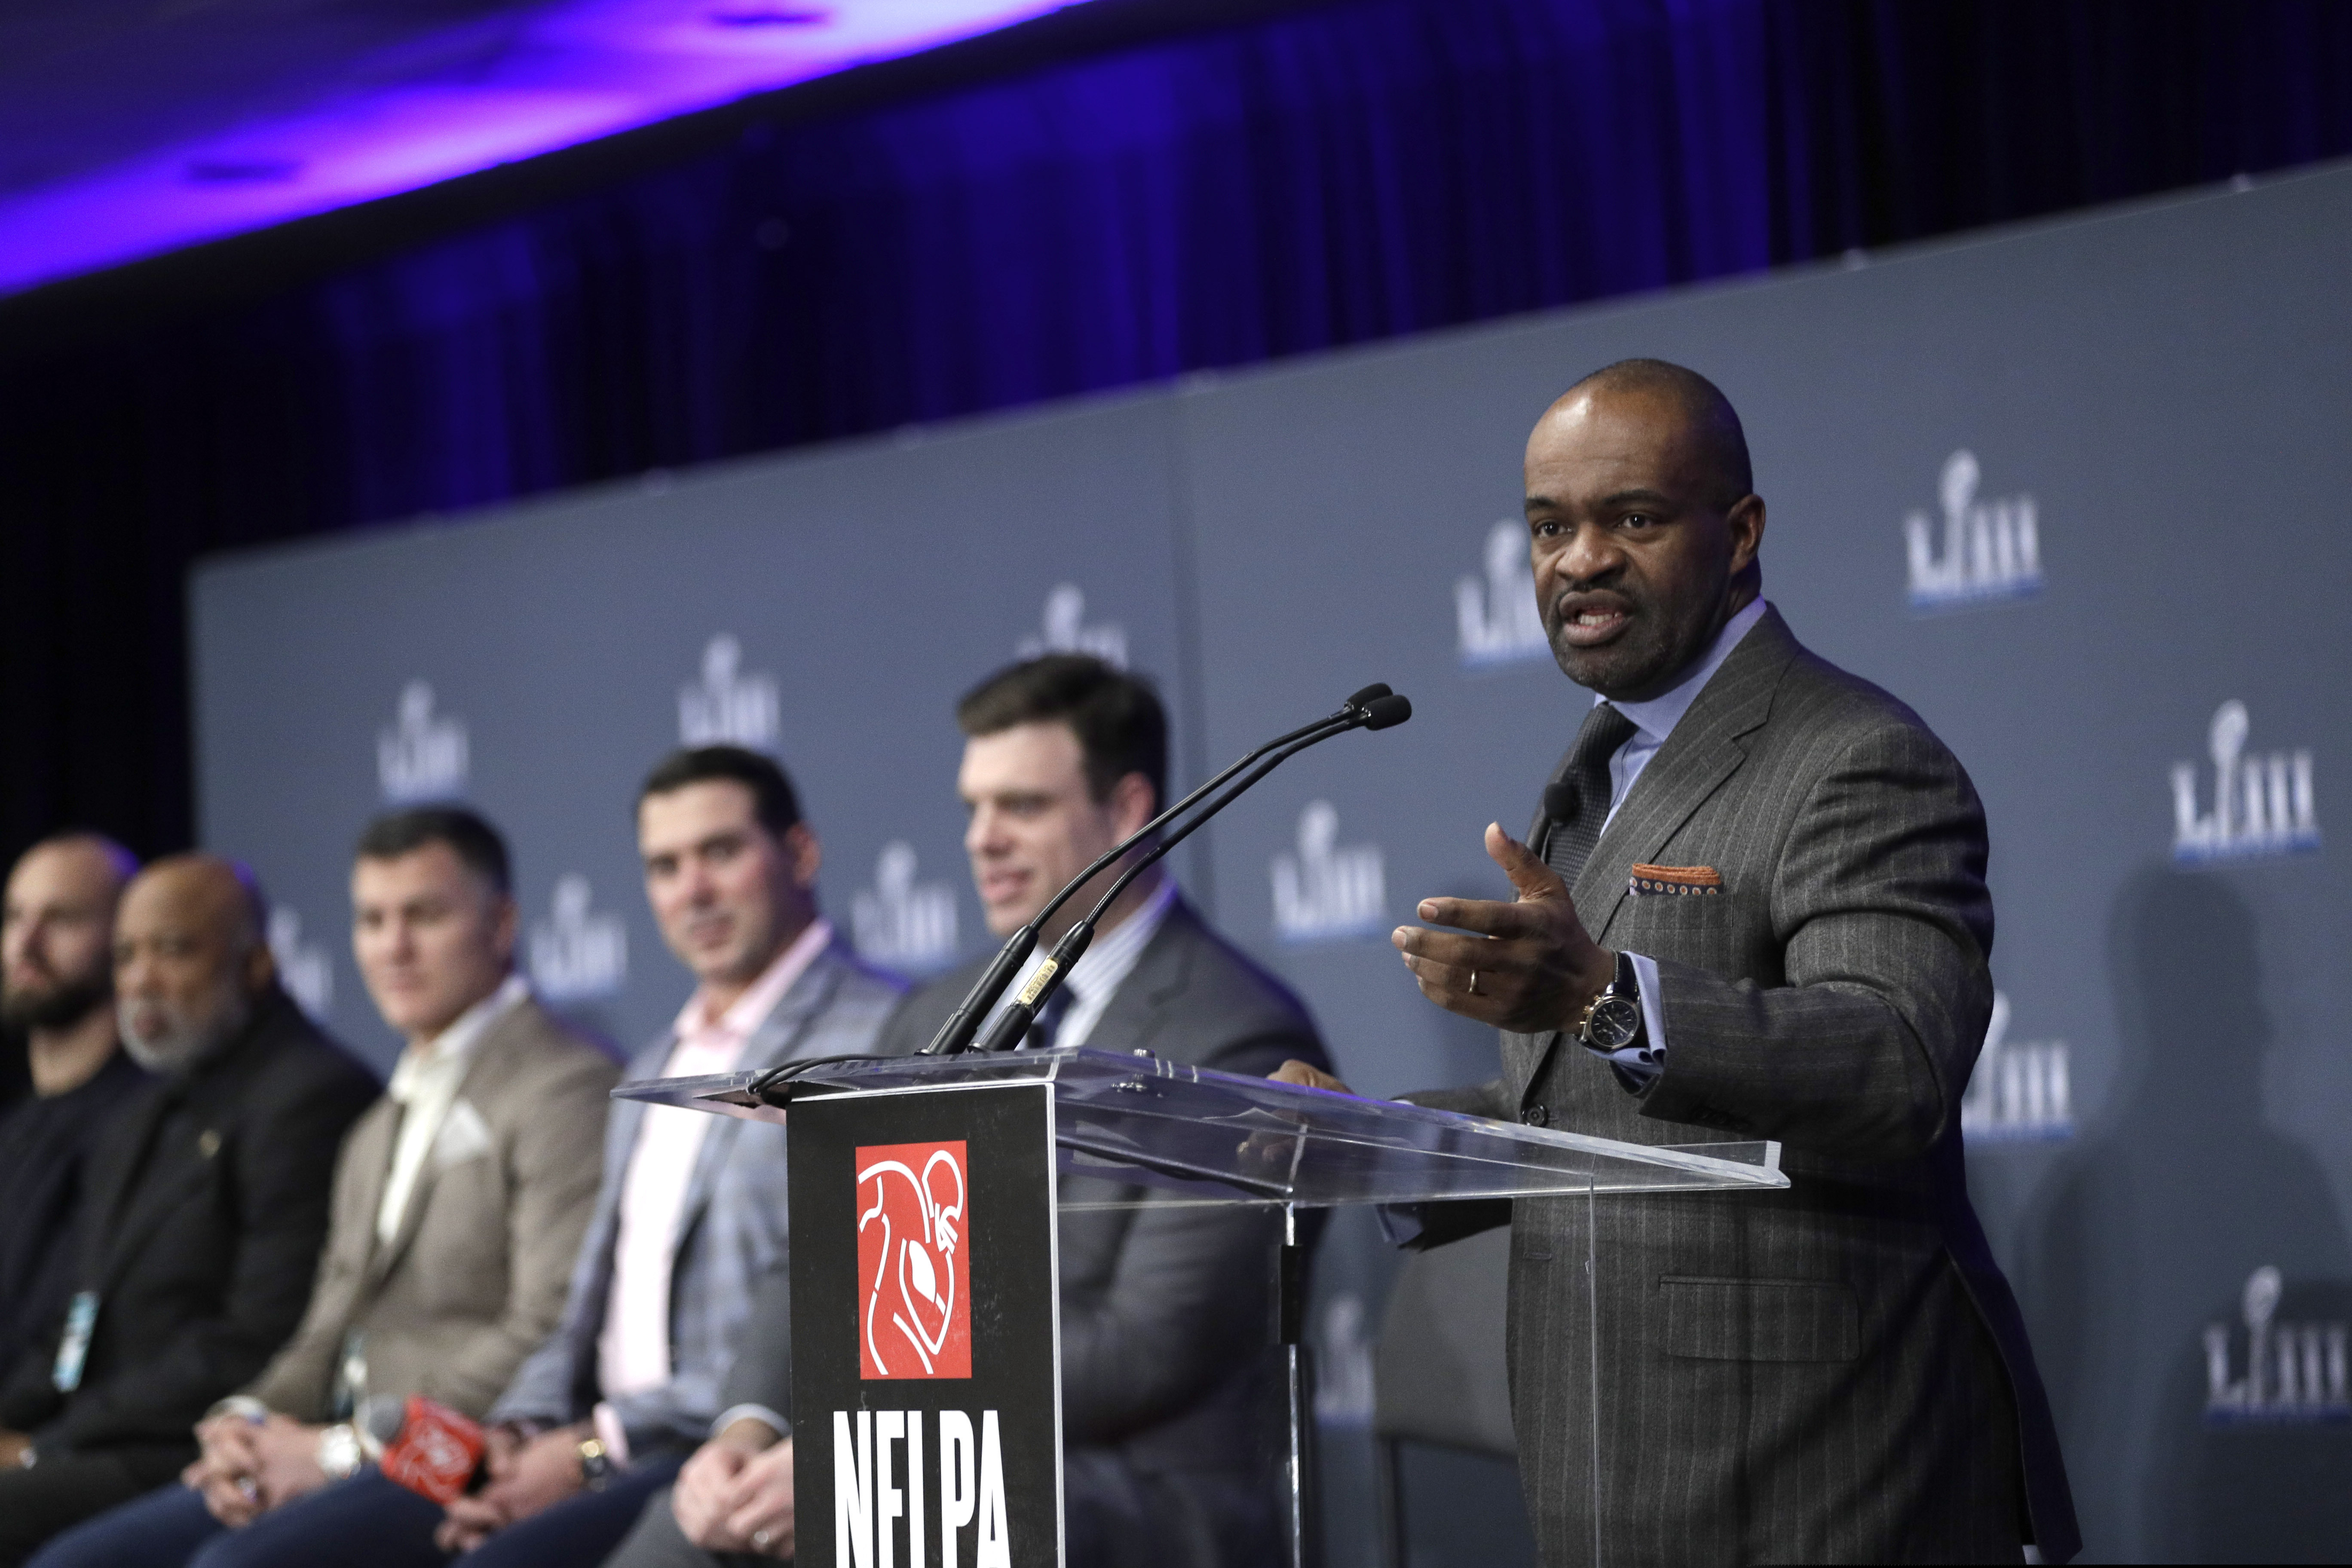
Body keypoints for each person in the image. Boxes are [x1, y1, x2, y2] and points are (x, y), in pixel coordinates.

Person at [1276, 359, 2079, 1565]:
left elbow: (1895, 1061)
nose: (1580, 559)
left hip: (1821, 1468)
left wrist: (1601, 996)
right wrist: (1382, 1141)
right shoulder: (1596, 771)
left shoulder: (1853, 757)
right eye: (1550, 526)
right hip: (1615, 1456)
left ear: (1741, 532)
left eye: (1632, 518)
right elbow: (1590, 1113)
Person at [606, 655, 1334, 1568]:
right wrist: (748, 1427)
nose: (982, 839)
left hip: (1128, 1489)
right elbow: (820, 1258)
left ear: (1126, 810)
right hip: (928, 1449)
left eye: (1021, 806)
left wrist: (867, 1446)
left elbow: (1149, 1347)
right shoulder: (939, 1014)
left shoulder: (1235, 1031)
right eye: (973, 808)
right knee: (679, 1536)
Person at [209, 747, 901, 1567]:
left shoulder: (883, 1037)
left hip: (724, 1445)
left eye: (720, 852)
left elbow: (835, 1305)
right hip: (585, 1441)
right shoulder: (655, 1061)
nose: (694, 889)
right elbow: (577, 1316)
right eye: (665, 865)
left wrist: (587, 1450)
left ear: (800, 854)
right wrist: (515, 1435)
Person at [31, 806, 619, 1567]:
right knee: (79, 1561)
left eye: (425, 915)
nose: (394, 946)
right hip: (338, 1453)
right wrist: (245, 1421)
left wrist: (348, 1445)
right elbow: (327, 1327)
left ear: (500, 923)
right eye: (373, 919)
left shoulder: (564, 1083)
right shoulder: (380, 1118)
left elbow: (544, 1328)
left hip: (473, 1451)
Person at [0, 856, 379, 1563]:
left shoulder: (308, 1096)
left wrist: (49, 1443)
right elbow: (80, 1309)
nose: (142, 977)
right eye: (125, 954)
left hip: (191, 1438)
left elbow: (258, 1334)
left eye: (174, 949)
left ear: (256, 963)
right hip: (101, 1435)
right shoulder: (142, 1107)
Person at [0, 836, 147, 1382]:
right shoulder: (16, 1129)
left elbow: (87, 1328)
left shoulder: (145, 1123)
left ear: (123, 939)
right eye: (15, 916)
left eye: (60, 918)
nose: (26, 943)